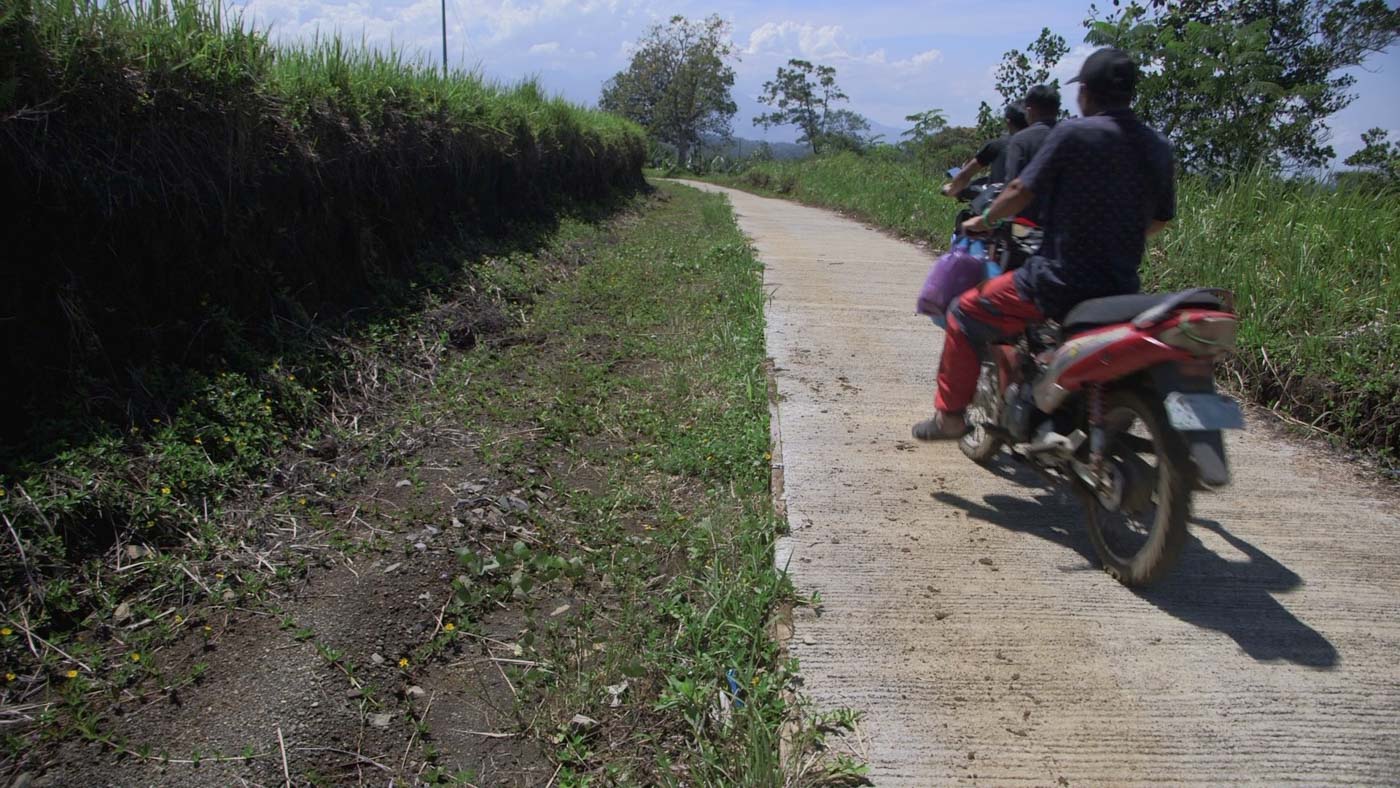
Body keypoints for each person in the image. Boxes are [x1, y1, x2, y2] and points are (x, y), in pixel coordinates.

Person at [913, 47, 1176, 441]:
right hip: (1121, 286)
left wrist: (984, 220)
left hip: (1055, 281)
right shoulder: (1157, 145)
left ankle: (949, 418)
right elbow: (1159, 219)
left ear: (1085, 92)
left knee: (964, 313)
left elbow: (1019, 189)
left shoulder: (1073, 133)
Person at [941, 103, 1028, 197]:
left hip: (1003, 202)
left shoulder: (997, 145)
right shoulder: (1043, 143)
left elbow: (965, 175)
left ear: (1008, 122)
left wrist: (950, 190)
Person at [1002, 84, 1060, 224]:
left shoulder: (1022, 140)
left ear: (1029, 110)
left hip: (1027, 226)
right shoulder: (1069, 135)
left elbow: (1014, 187)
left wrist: (989, 219)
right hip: (1063, 224)